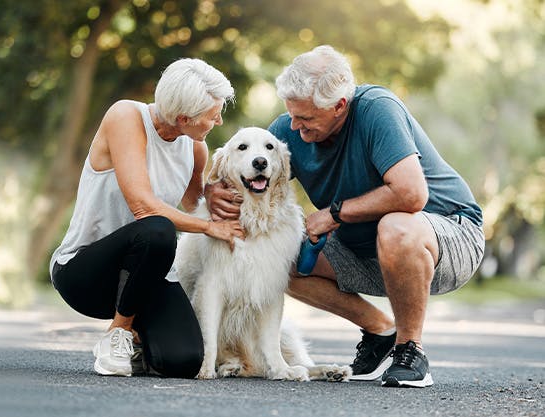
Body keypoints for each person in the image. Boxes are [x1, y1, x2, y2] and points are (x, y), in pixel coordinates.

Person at [206, 45, 485, 388]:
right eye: (291, 114)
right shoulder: (292, 126)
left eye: (305, 118)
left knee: (396, 226)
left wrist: (334, 214)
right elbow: (243, 165)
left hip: (448, 239)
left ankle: (410, 350)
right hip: (368, 250)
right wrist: (211, 190)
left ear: (339, 106)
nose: (294, 126)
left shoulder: (376, 110)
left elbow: (411, 194)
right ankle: (381, 330)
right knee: (281, 260)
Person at [49, 58, 245, 378]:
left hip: (145, 277)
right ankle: (119, 334)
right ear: (183, 118)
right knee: (157, 229)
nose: (219, 121)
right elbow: (143, 205)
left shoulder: (195, 148)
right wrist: (211, 227)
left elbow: (194, 202)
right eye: (213, 115)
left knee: (183, 362)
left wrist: (212, 195)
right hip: (85, 275)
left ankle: (140, 341)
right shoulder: (126, 116)